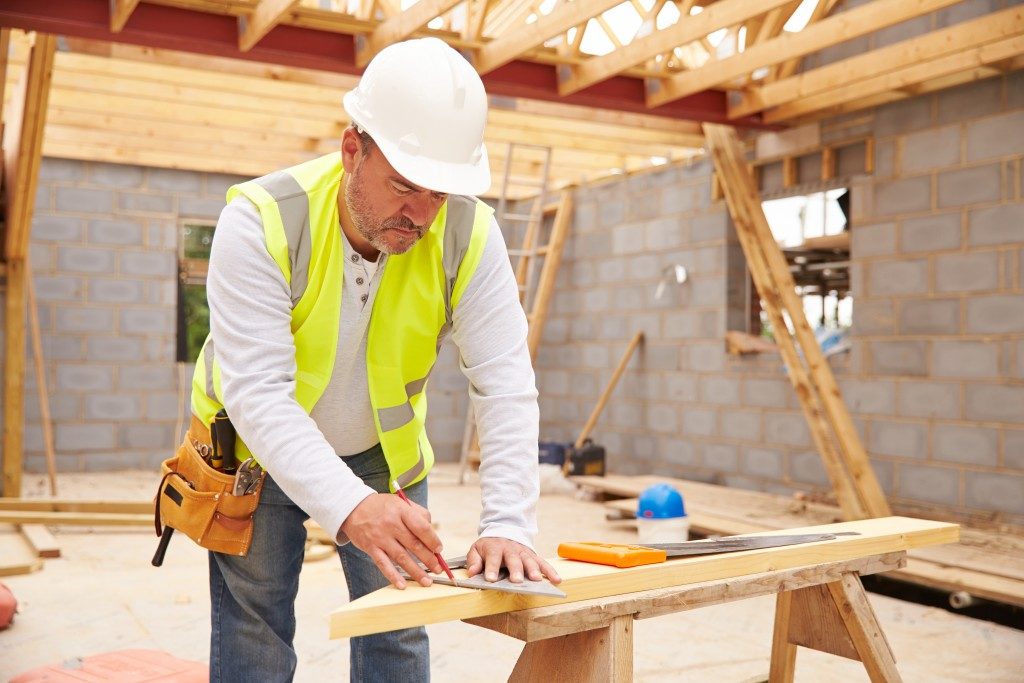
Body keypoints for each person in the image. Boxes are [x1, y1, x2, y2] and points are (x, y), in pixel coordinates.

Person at [190, 37, 560, 682]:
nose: (419, 215)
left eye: (439, 194)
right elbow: (256, 392)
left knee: (398, 626)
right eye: (404, 186)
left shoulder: (469, 234)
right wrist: (350, 508)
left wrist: (508, 522)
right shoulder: (261, 221)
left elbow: (504, 382)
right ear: (352, 150)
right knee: (257, 630)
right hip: (255, 449)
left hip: (381, 453)